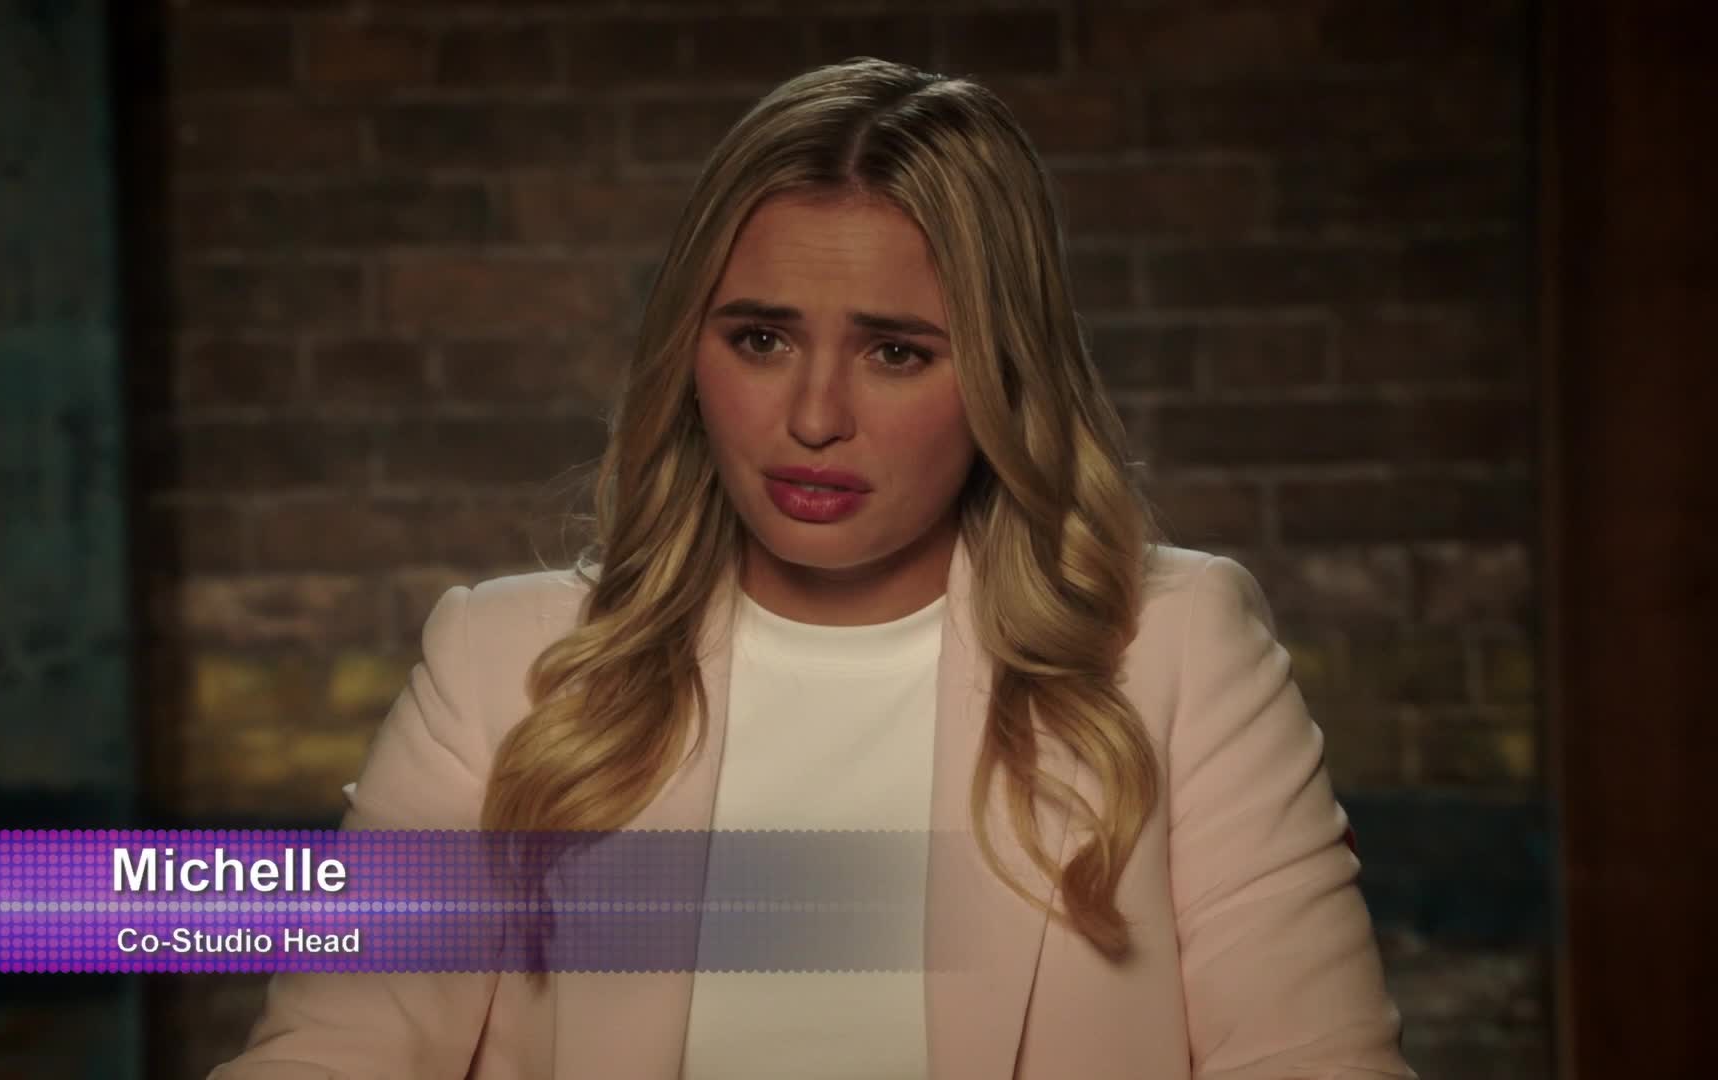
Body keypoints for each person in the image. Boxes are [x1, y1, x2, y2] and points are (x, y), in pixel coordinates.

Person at [209, 57, 1413, 1080]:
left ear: (1003, 375)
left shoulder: (1177, 652)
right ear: (690, 350)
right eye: (761, 338)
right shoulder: (500, 667)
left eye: (896, 353)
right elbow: (328, 1056)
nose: (815, 417)